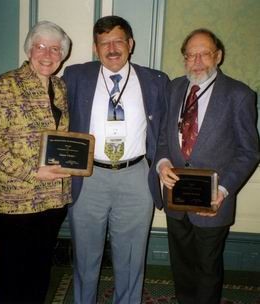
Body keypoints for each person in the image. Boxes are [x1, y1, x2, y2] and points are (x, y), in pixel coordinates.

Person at [62, 15, 170, 304]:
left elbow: (163, 134)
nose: (111, 48)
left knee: (132, 256)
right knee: (85, 256)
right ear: (96, 48)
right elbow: (55, 121)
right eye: (103, 43)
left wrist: (160, 163)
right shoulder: (75, 76)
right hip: (88, 176)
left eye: (118, 41)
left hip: (135, 176)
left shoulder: (156, 81)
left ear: (130, 44)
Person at [157, 28, 260, 304]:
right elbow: (163, 140)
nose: (197, 61)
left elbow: (249, 152)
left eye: (204, 54)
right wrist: (163, 163)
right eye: (191, 55)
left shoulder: (239, 95)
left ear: (218, 56)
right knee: (181, 267)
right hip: (176, 199)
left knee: (207, 270)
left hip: (214, 201)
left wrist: (224, 190)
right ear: (184, 59)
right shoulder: (174, 88)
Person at [0, 21, 72, 304]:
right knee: (13, 274)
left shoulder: (60, 87)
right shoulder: (4, 84)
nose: (47, 54)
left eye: (55, 48)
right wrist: (33, 173)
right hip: (16, 200)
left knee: (41, 269)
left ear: (63, 55)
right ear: (29, 49)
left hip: (53, 199)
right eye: (40, 46)